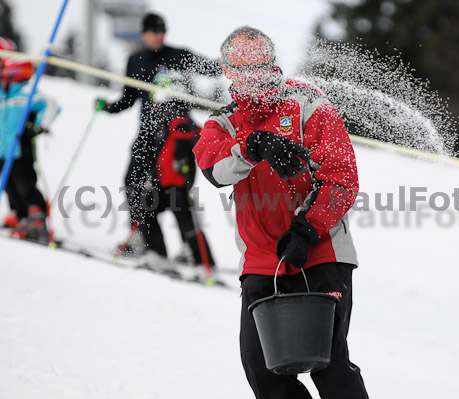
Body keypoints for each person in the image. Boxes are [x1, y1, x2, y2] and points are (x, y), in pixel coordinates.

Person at [193, 26, 369, 399]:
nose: (256, 76)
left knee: (328, 363)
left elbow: (341, 179)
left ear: (274, 63)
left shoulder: (310, 106)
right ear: (228, 71)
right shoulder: (224, 122)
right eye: (244, 68)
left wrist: (307, 229)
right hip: (261, 261)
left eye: (263, 65)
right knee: (261, 368)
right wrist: (251, 146)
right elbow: (212, 169)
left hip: (321, 252)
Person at [96, 12, 220, 271]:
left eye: (162, 31)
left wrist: (231, 61)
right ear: (143, 33)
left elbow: (212, 69)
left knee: (176, 192)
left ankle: (191, 249)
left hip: (177, 135)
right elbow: (128, 98)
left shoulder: (179, 55)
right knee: (133, 184)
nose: (158, 36)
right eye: (153, 31)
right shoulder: (135, 60)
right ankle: (142, 237)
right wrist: (108, 107)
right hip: (147, 135)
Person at [0, 37, 60, 243]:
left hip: (20, 149)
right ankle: (22, 217)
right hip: (2, 151)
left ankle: (37, 218)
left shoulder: (26, 94)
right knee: (9, 186)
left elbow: (51, 105)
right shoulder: (2, 96)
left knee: (24, 183)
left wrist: (40, 125)